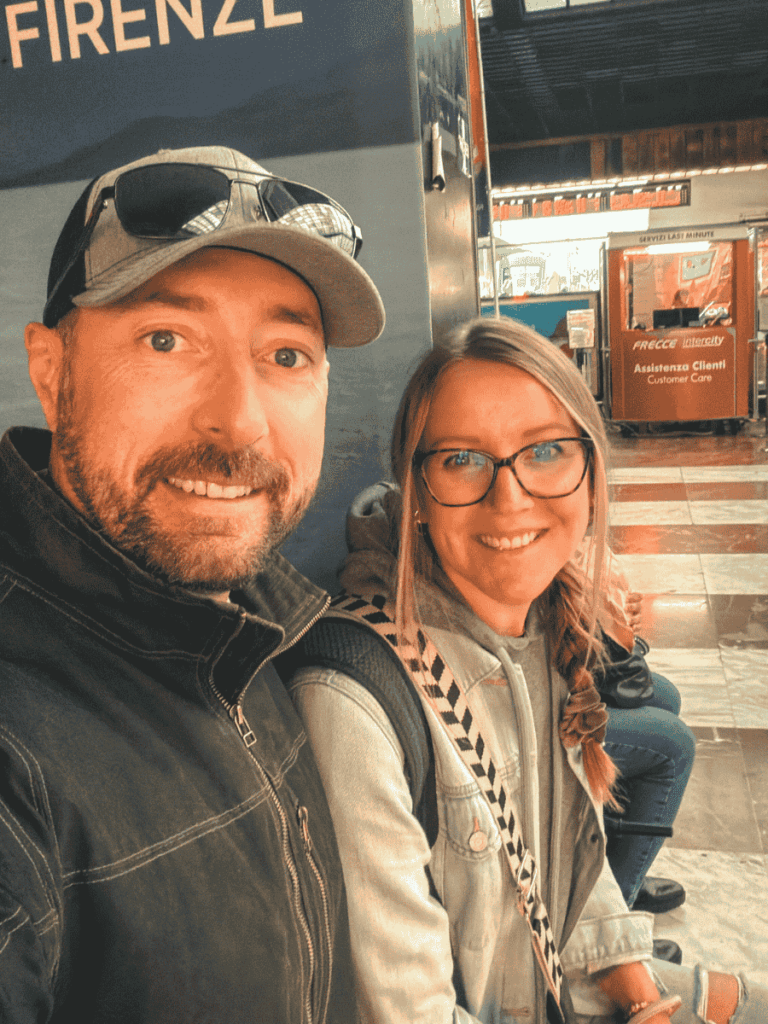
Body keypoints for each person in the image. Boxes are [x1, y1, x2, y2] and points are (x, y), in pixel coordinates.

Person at [0, 144, 385, 1022]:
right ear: (51, 372)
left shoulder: (241, 621)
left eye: (287, 355)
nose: (239, 420)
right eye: (165, 339)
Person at [290, 317, 766, 1024]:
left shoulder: (544, 629)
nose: (508, 498)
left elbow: (568, 860)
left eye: (544, 451)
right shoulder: (353, 701)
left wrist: (635, 984)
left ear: (592, 473)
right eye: (461, 460)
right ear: (414, 492)